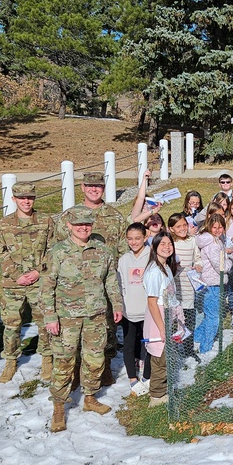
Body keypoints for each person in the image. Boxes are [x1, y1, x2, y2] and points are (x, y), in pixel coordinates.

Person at [41, 206, 123, 432]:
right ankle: (59, 406)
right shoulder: (58, 252)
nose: (83, 228)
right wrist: (50, 315)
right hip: (66, 318)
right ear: (69, 226)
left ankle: (90, 397)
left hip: (95, 316)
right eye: (78, 224)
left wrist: (116, 305)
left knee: (95, 360)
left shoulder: (102, 251)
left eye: (87, 224)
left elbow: (111, 281)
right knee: (64, 362)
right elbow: (47, 286)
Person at [54, 172, 127, 387]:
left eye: (99, 186)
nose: (94, 189)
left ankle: (103, 369)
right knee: (73, 333)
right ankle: (75, 370)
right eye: (90, 186)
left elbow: (123, 249)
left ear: (104, 188)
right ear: (83, 187)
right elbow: (58, 246)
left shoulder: (115, 216)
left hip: (105, 281)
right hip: (74, 286)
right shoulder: (69, 216)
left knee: (106, 329)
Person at [0, 182, 54, 384]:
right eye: (22, 198)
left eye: (30, 197)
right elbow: (0, 253)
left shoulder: (46, 221)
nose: (26, 201)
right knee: (11, 325)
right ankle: (11, 360)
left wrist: (39, 271)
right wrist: (16, 275)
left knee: (45, 322)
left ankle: (47, 358)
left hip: (40, 281)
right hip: (14, 284)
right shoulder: (4, 224)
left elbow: (53, 250)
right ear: (14, 200)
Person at [143, 232, 188, 408]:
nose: (167, 247)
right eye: (162, 244)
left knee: (167, 355)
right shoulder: (154, 271)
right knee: (160, 358)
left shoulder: (166, 267)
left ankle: (163, 389)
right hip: (158, 317)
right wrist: (161, 328)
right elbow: (152, 302)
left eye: (170, 244)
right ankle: (156, 395)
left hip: (167, 314)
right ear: (154, 247)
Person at [194, 214, 233, 353]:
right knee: (214, 317)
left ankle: (196, 338)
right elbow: (221, 266)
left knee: (209, 314)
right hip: (212, 284)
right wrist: (230, 260)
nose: (218, 230)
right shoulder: (212, 244)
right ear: (209, 227)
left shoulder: (217, 240)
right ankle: (206, 347)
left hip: (214, 283)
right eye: (214, 227)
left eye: (220, 227)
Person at [118, 223, 151, 396]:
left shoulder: (151, 256)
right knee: (129, 344)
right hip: (129, 310)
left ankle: (146, 375)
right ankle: (132, 378)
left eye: (138, 238)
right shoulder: (124, 260)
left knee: (148, 344)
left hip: (148, 310)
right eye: (130, 239)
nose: (134, 242)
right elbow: (121, 284)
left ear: (145, 237)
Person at [169, 213, 201, 361]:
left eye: (184, 225)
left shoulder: (192, 240)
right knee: (175, 318)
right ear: (171, 229)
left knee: (188, 317)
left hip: (188, 284)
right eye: (178, 226)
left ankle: (188, 349)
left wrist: (198, 266)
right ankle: (174, 348)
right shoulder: (170, 243)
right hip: (174, 284)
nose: (182, 228)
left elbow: (197, 258)